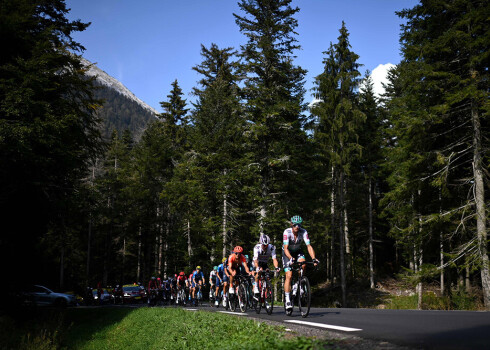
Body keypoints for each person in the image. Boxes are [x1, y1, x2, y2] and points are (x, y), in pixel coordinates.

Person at [282, 215, 319, 311]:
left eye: (299, 225)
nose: (297, 227)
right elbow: (285, 248)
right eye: (295, 225)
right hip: (287, 253)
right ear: (291, 224)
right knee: (289, 275)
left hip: (298, 251)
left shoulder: (303, 232)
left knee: (303, 264)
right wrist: (290, 258)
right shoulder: (287, 232)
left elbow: (309, 246)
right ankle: (287, 300)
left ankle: (299, 282)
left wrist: (314, 258)